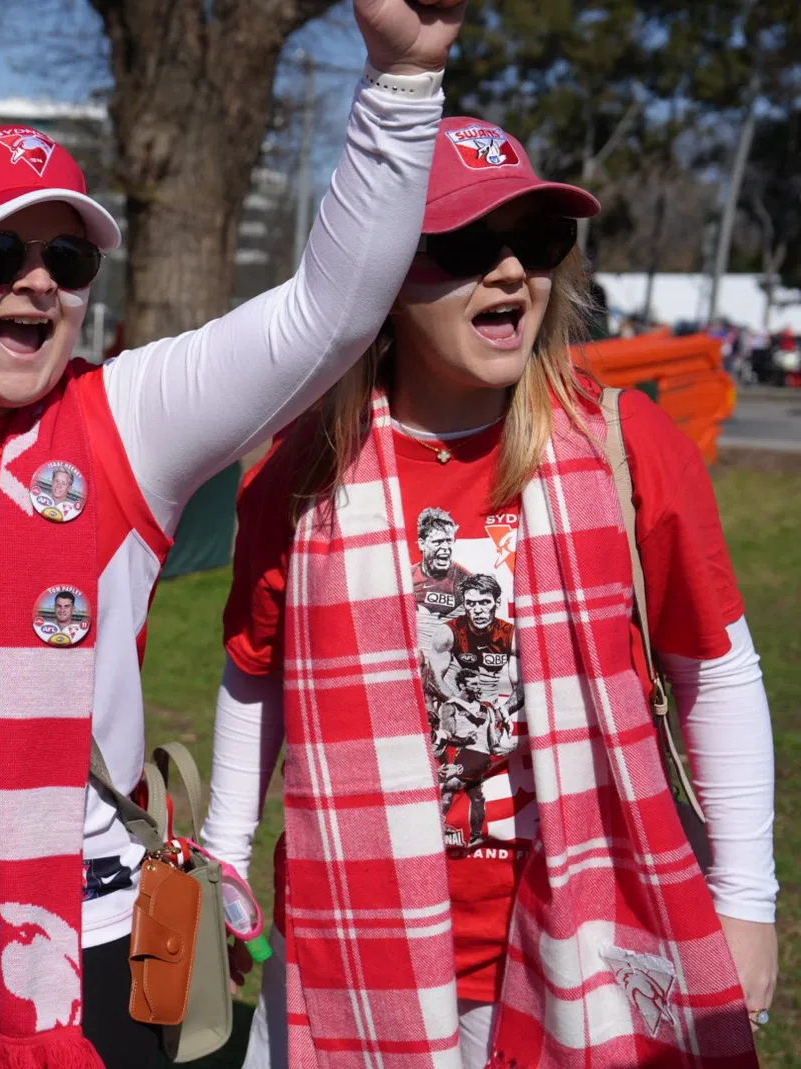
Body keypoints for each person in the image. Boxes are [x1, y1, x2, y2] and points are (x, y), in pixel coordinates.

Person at [0, 4, 466, 1066]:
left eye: (67, 259)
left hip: (83, 943)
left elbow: (331, 311)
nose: (37, 280)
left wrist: (402, 79)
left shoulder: (129, 418)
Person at [201, 116, 775, 1068]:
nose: (512, 273)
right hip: (351, 944)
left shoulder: (626, 448)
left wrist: (745, 902)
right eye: (467, 247)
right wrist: (224, 858)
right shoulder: (301, 470)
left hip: (585, 941)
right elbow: (255, 671)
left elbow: (717, 669)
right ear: (381, 281)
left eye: (538, 243)